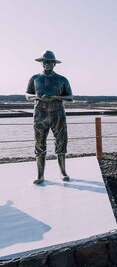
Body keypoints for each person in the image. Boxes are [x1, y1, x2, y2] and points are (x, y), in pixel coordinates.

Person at [26, 51, 73, 184]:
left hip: (58, 113)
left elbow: (70, 97)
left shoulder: (62, 79)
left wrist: (56, 97)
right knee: (39, 143)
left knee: (61, 141)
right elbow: (27, 94)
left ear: (54, 64)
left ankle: (63, 172)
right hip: (40, 113)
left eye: (50, 62)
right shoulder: (34, 78)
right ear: (41, 63)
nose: (47, 64)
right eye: (45, 61)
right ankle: (40, 175)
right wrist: (36, 97)